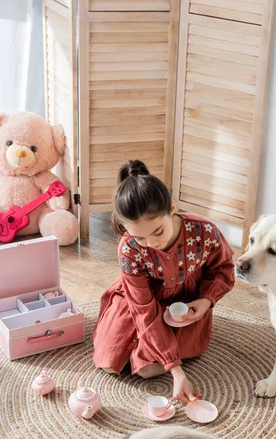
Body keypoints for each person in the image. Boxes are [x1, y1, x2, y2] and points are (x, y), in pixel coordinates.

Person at [93, 160, 235, 404]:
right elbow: (143, 310)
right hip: (143, 301)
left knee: (147, 369)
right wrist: (176, 370)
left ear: (171, 208)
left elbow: (224, 269)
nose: (151, 243)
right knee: (109, 361)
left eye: (158, 232)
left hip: (185, 302)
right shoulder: (128, 248)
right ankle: (158, 351)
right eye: (140, 237)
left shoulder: (204, 232)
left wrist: (206, 300)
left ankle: (163, 350)